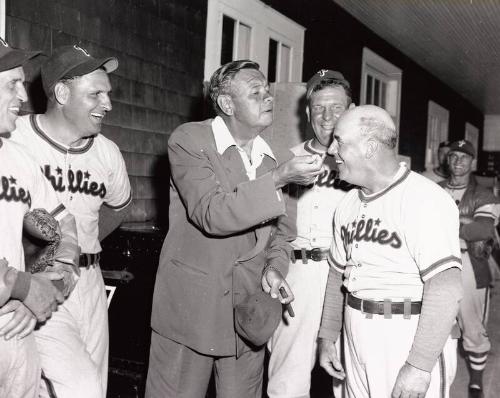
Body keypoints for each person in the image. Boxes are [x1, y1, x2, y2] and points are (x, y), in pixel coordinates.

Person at [146, 60, 326, 398]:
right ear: (227, 104)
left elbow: (282, 234)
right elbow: (211, 213)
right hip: (190, 311)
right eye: (255, 92)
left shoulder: (271, 158)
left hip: (247, 315)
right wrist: (278, 179)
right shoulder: (190, 140)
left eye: (267, 90)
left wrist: (274, 269)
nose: (268, 97)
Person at [10, 44, 132, 398]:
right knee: (79, 387)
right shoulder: (15, 137)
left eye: (107, 94)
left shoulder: (107, 152)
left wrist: (83, 248)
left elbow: (118, 207)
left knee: (94, 382)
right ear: (62, 93)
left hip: (89, 281)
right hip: (36, 279)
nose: (107, 104)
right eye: (95, 94)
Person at [318, 105, 463, 398]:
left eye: (340, 141)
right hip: (355, 328)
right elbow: (337, 276)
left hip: (406, 333)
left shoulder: (425, 199)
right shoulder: (347, 204)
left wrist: (419, 365)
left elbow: (445, 287)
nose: (331, 149)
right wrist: (327, 336)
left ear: (370, 147)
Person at [0, 39, 79, 398]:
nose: (24, 97)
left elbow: (66, 227)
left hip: (15, 328)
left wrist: (50, 287)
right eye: (10, 84)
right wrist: (26, 287)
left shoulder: (20, 160)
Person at [267, 69, 352, 398]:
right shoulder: (286, 158)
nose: (327, 116)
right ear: (307, 113)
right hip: (299, 271)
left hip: (347, 277)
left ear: (351, 109)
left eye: (336, 107)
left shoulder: (362, 164)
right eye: (319, 108)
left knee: (349, 373)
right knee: (288, 376)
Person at [439, 139, 500, 398]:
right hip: (438, 262)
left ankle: (475, 382)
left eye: (464, 157)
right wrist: (464, 222)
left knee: (473, 327)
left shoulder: (485, 195)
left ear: (472, 161)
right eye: (454, 156)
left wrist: (445, 225)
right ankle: (440, 376)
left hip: (470, 265)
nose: (458, 161)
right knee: (437, 323)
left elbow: (482, 229)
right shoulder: (435, 189)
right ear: (447, 159)